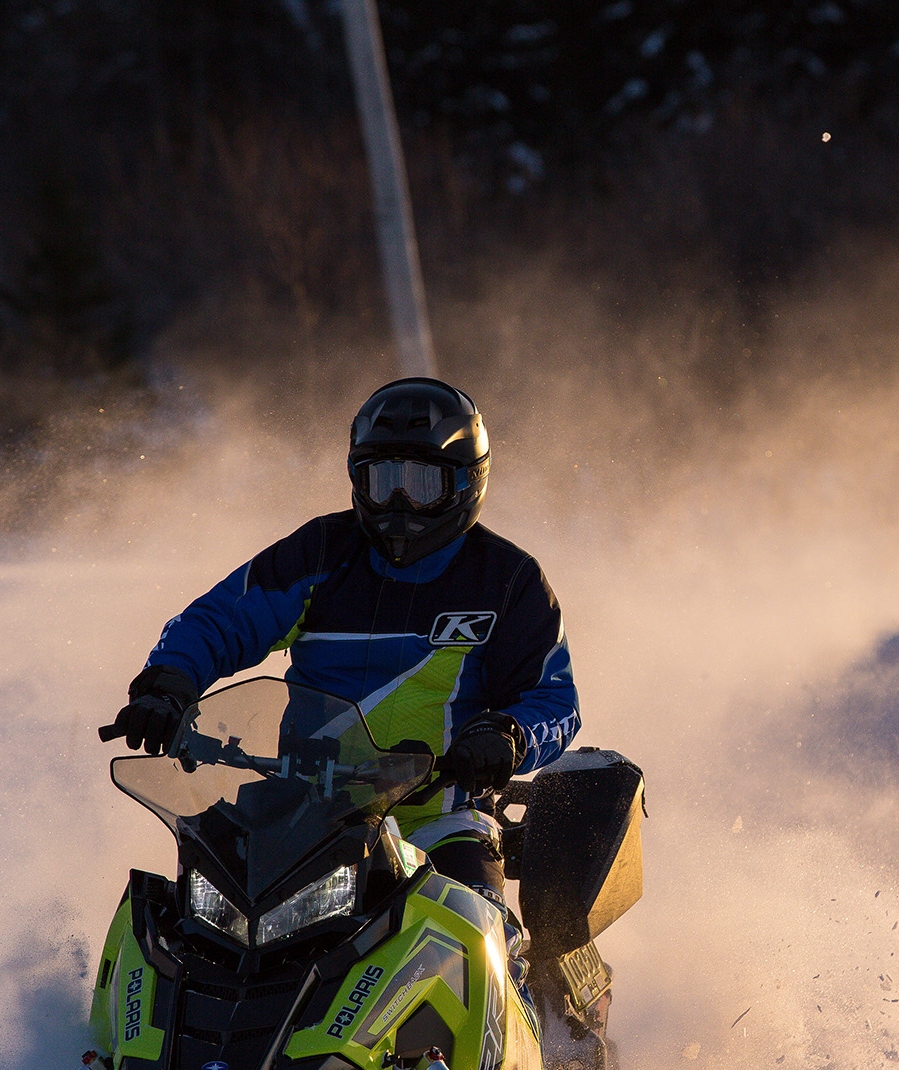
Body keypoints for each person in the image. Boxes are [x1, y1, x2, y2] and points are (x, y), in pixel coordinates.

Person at [107, 376, 580, 919]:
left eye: (422, 484)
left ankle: (523, 994)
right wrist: (169, 683)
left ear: (467, 483)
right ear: (357, 479)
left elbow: (555, 700)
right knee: (195, 922)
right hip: (303, 816)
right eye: (382, 481)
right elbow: (219, 620)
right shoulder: (320, 554)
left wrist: (506, 737)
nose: (399, 503)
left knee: (481, 927)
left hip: (439, 822)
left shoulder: (507, 580)